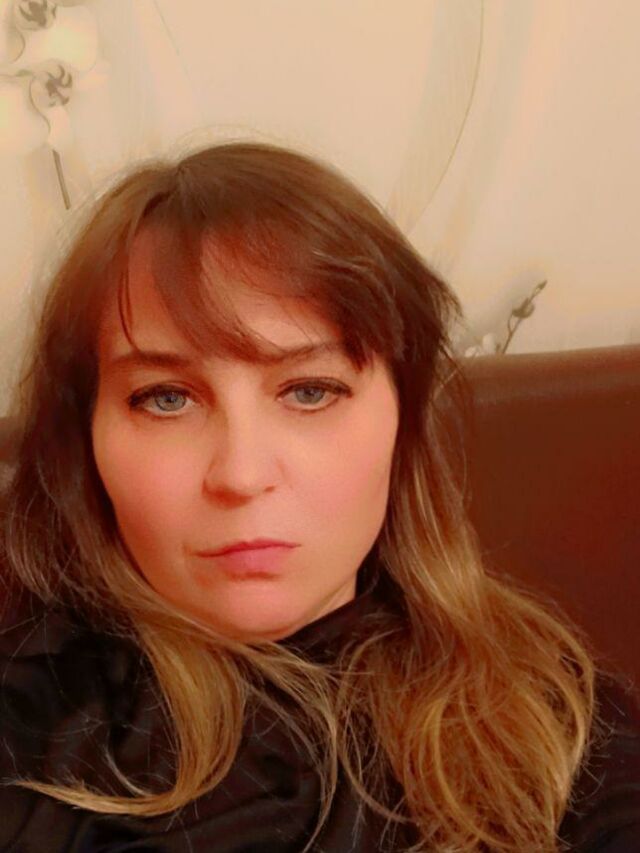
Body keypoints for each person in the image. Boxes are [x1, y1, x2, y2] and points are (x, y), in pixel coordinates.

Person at [0, 140, 638, 853]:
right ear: (85, 439)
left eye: (309, 390)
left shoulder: (554, 712)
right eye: (166, 397)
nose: (241, 474)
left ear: (403, 420)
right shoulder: (31, 735)